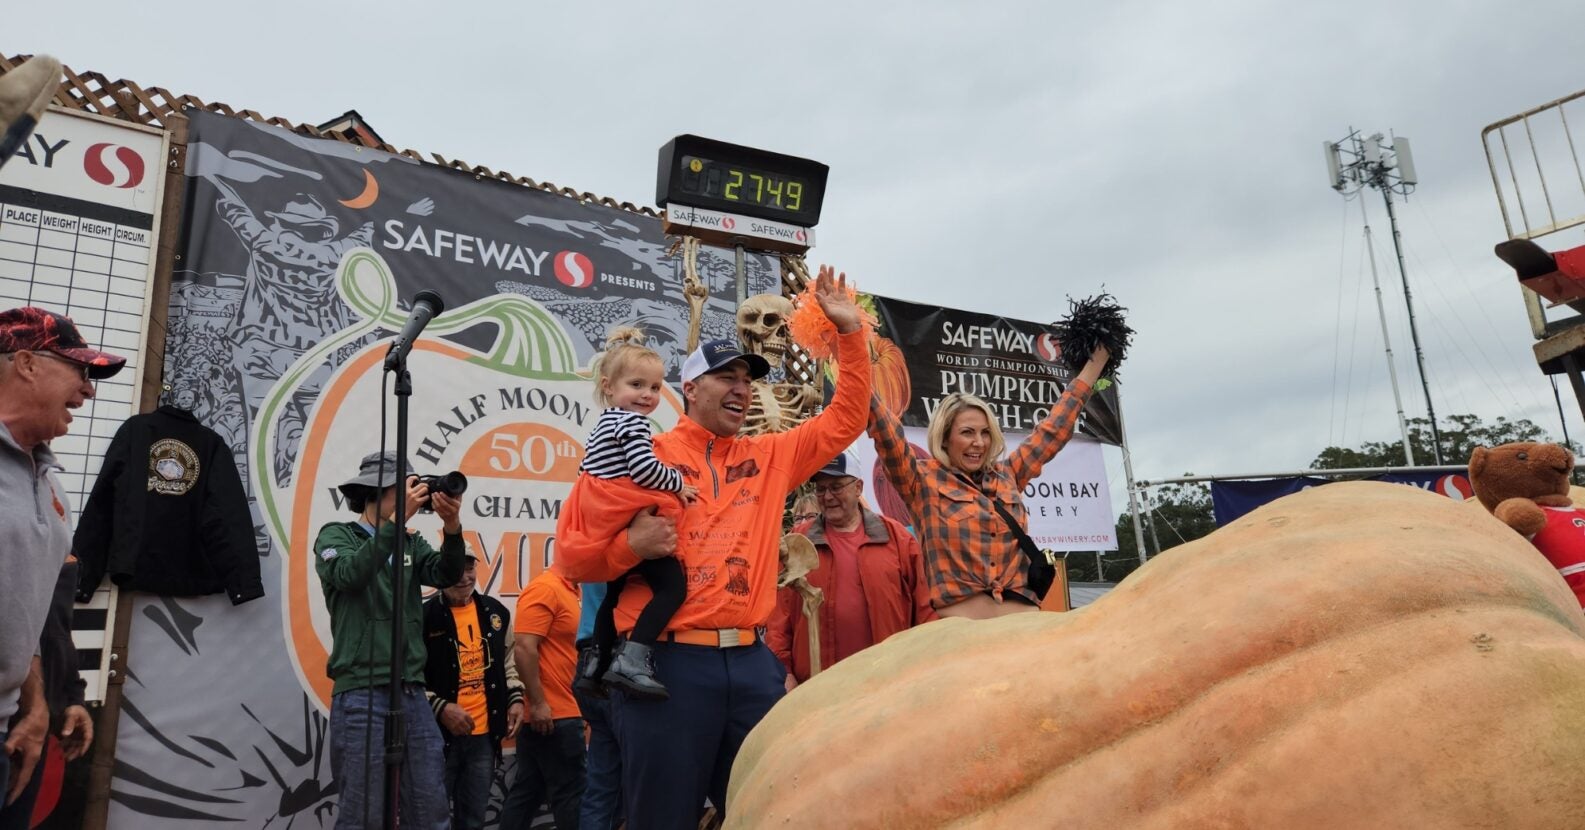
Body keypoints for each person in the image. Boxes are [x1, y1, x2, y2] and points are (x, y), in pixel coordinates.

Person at [554, 265, 872, 829]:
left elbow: (847, 418)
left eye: (747, 380)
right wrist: (631, 545)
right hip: (664, 667)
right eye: (726, 376)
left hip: (752, 665)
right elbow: (575, 561)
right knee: (662, 818)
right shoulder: (638, 453)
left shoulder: (774, 455)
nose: (741, 389)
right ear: (690, 389)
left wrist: (850, 334)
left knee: (770, 815)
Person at [869, 344, 1109, 619]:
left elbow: (1054, 430)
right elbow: (884, 428)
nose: (978, 442)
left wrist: (1095, 365)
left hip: (1025, 630)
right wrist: (849, 341)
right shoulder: (920, 480)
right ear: (945, 438)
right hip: (960, 637)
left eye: (985, 433)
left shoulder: (1009, 474)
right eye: (967, 432)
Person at [0, 306, 123, 809]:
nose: (89, 389)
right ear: (27, 364)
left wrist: (38, 704)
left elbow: (31, 612)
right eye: (79, 370)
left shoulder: (49, 481)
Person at [314, 451, 466, 830]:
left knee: (429, 807)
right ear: (374, 492)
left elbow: (447, 573)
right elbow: (349, 574)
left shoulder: (412, 543)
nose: (413, 496)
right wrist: (396, 525)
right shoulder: (337, 535)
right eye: (404, 489)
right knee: (363, 814)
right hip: (361, 690)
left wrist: (451, 525)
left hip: (412, 690)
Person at [571, 328, 699, 701]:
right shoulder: (633, 424)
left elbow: (587, 474)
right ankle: (633, 658)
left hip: (606, 522)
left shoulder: (603, 425)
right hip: (625, 519)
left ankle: (595, 665)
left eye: (656, 388)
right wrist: (677, 482)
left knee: (614, 592)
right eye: (637, 384)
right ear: (608, 386)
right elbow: (644, 470)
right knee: (672, 587)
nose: (647, 395)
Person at [769, 451, 936, 689]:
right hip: (816, 685)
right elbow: (778, 617)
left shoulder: (897, 539)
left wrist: (925, 666)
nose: (827, 496)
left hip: (887, 681)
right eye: (821, 489)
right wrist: (783, 671)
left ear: (858, 487)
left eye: (836, 487)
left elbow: (924, 611)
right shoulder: (798, 542)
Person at [422, 555, 524, 830]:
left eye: (469, 568)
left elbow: (508, 662)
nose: (463, 577)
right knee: (429, 820)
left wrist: (515, 698)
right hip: (435, 741)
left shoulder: (496, 613)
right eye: (454, 569)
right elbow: (407, 679)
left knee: (473, 820)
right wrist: (440, 707)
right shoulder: (421, 617)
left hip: (483, 740)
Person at [498, 568, 584, 829]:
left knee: (529, 791)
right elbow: (524, 647)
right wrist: (537, 703)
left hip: (559, 710)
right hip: (554, 713)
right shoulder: (546, 588)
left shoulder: (574, 590)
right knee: (571, 795)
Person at [572, 581, 623, 830]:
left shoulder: (594, 551)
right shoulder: (627, 552)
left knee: (602, 786)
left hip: (590, 660)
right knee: (645, 779)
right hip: (617, 656)